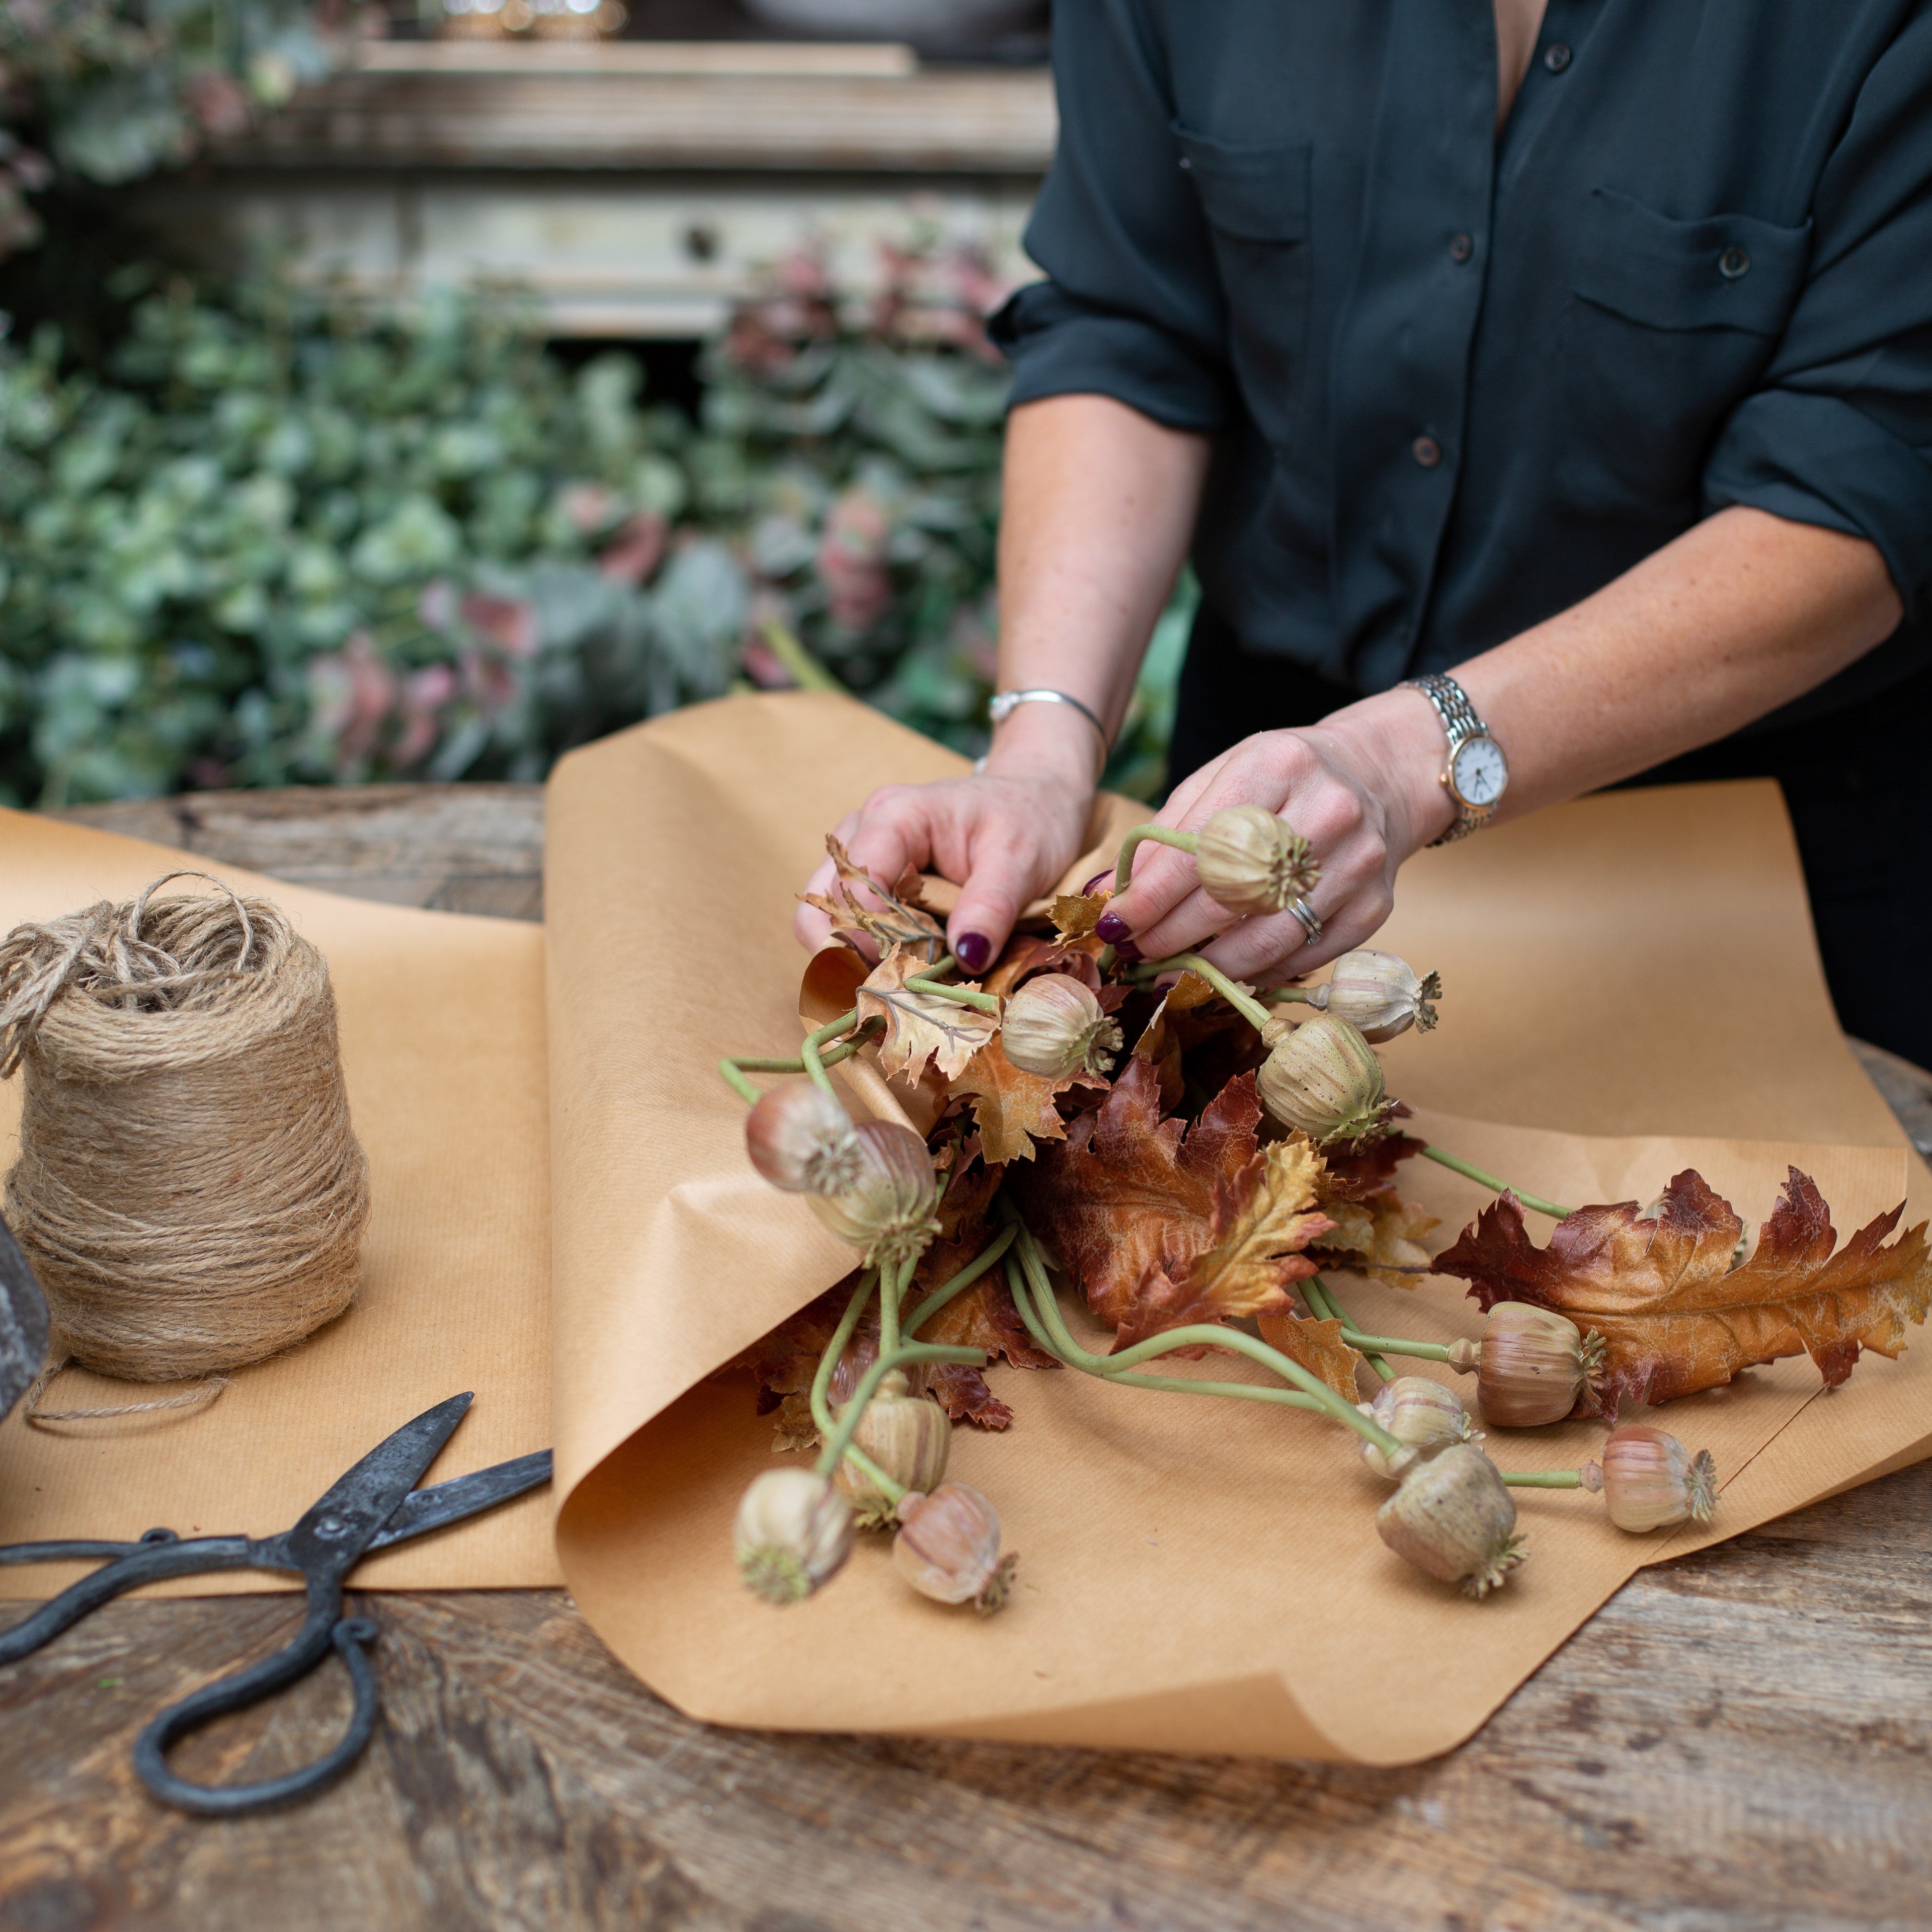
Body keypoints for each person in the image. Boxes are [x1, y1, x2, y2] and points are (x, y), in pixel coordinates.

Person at [797, 0, 1932, 1068]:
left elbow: (1868, 469)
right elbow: (1130, 321)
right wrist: (1041, 756)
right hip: (1269, 802)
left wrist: (1407, 759)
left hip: (1758, 845)